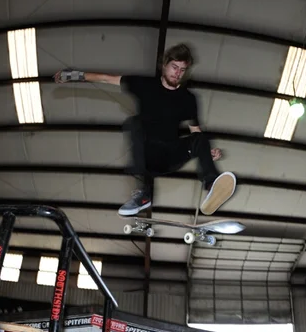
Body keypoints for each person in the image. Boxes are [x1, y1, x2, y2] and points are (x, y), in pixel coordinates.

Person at [53, 43, 237, 217]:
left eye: (182, 70)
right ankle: (144, 193)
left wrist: (205, 152)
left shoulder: (188, 98)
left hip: (171, 155)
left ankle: (212, 185)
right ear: (164, 65)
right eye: (174, 67)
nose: (177, 73)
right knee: (134, 123)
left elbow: (195, 131)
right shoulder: (144, 85)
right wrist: (71, 75)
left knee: (202, 138)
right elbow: (105, 78)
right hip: (148, 156)